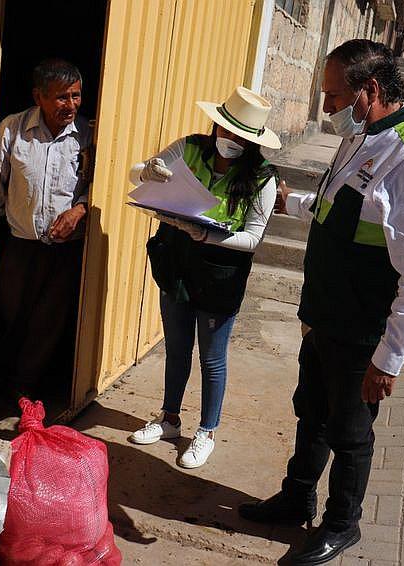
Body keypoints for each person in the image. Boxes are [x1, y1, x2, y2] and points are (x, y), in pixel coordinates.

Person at [239, 40, 404, 565]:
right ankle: (296, 498)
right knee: (309, 412)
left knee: (350, 433)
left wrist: (389, 359)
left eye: (334, 95)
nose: (326, 106)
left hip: (362, 333)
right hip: (324, 318)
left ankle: (341, 524)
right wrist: (297, 202)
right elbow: (344, 210)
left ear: (370, 91)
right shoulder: (361, 136)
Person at [127, 87, 281, 469]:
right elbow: (140, 174)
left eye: (240, 137)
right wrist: (147, 170)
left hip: (221, 273)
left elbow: (254, 236)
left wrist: (212, 235)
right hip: (177, 261)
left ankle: (206, 431)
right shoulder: (190, 148)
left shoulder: (262, 177)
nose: (230, 141)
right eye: (226, 131)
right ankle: (169, 419)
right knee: (177, 348)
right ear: (216, 125)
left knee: (212, 358)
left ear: (253, 142)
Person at [0, 59, 92, 399]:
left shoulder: (88, 135)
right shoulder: (12, 129)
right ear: (39, 96)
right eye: (62, 97)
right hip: (20, 244)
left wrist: (80, 209)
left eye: (76, 96)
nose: (71, 105)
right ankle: (0, 383)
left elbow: (99, 183)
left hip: (65, 250)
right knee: (11, 315)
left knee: (48, 323)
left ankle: (24, 391)